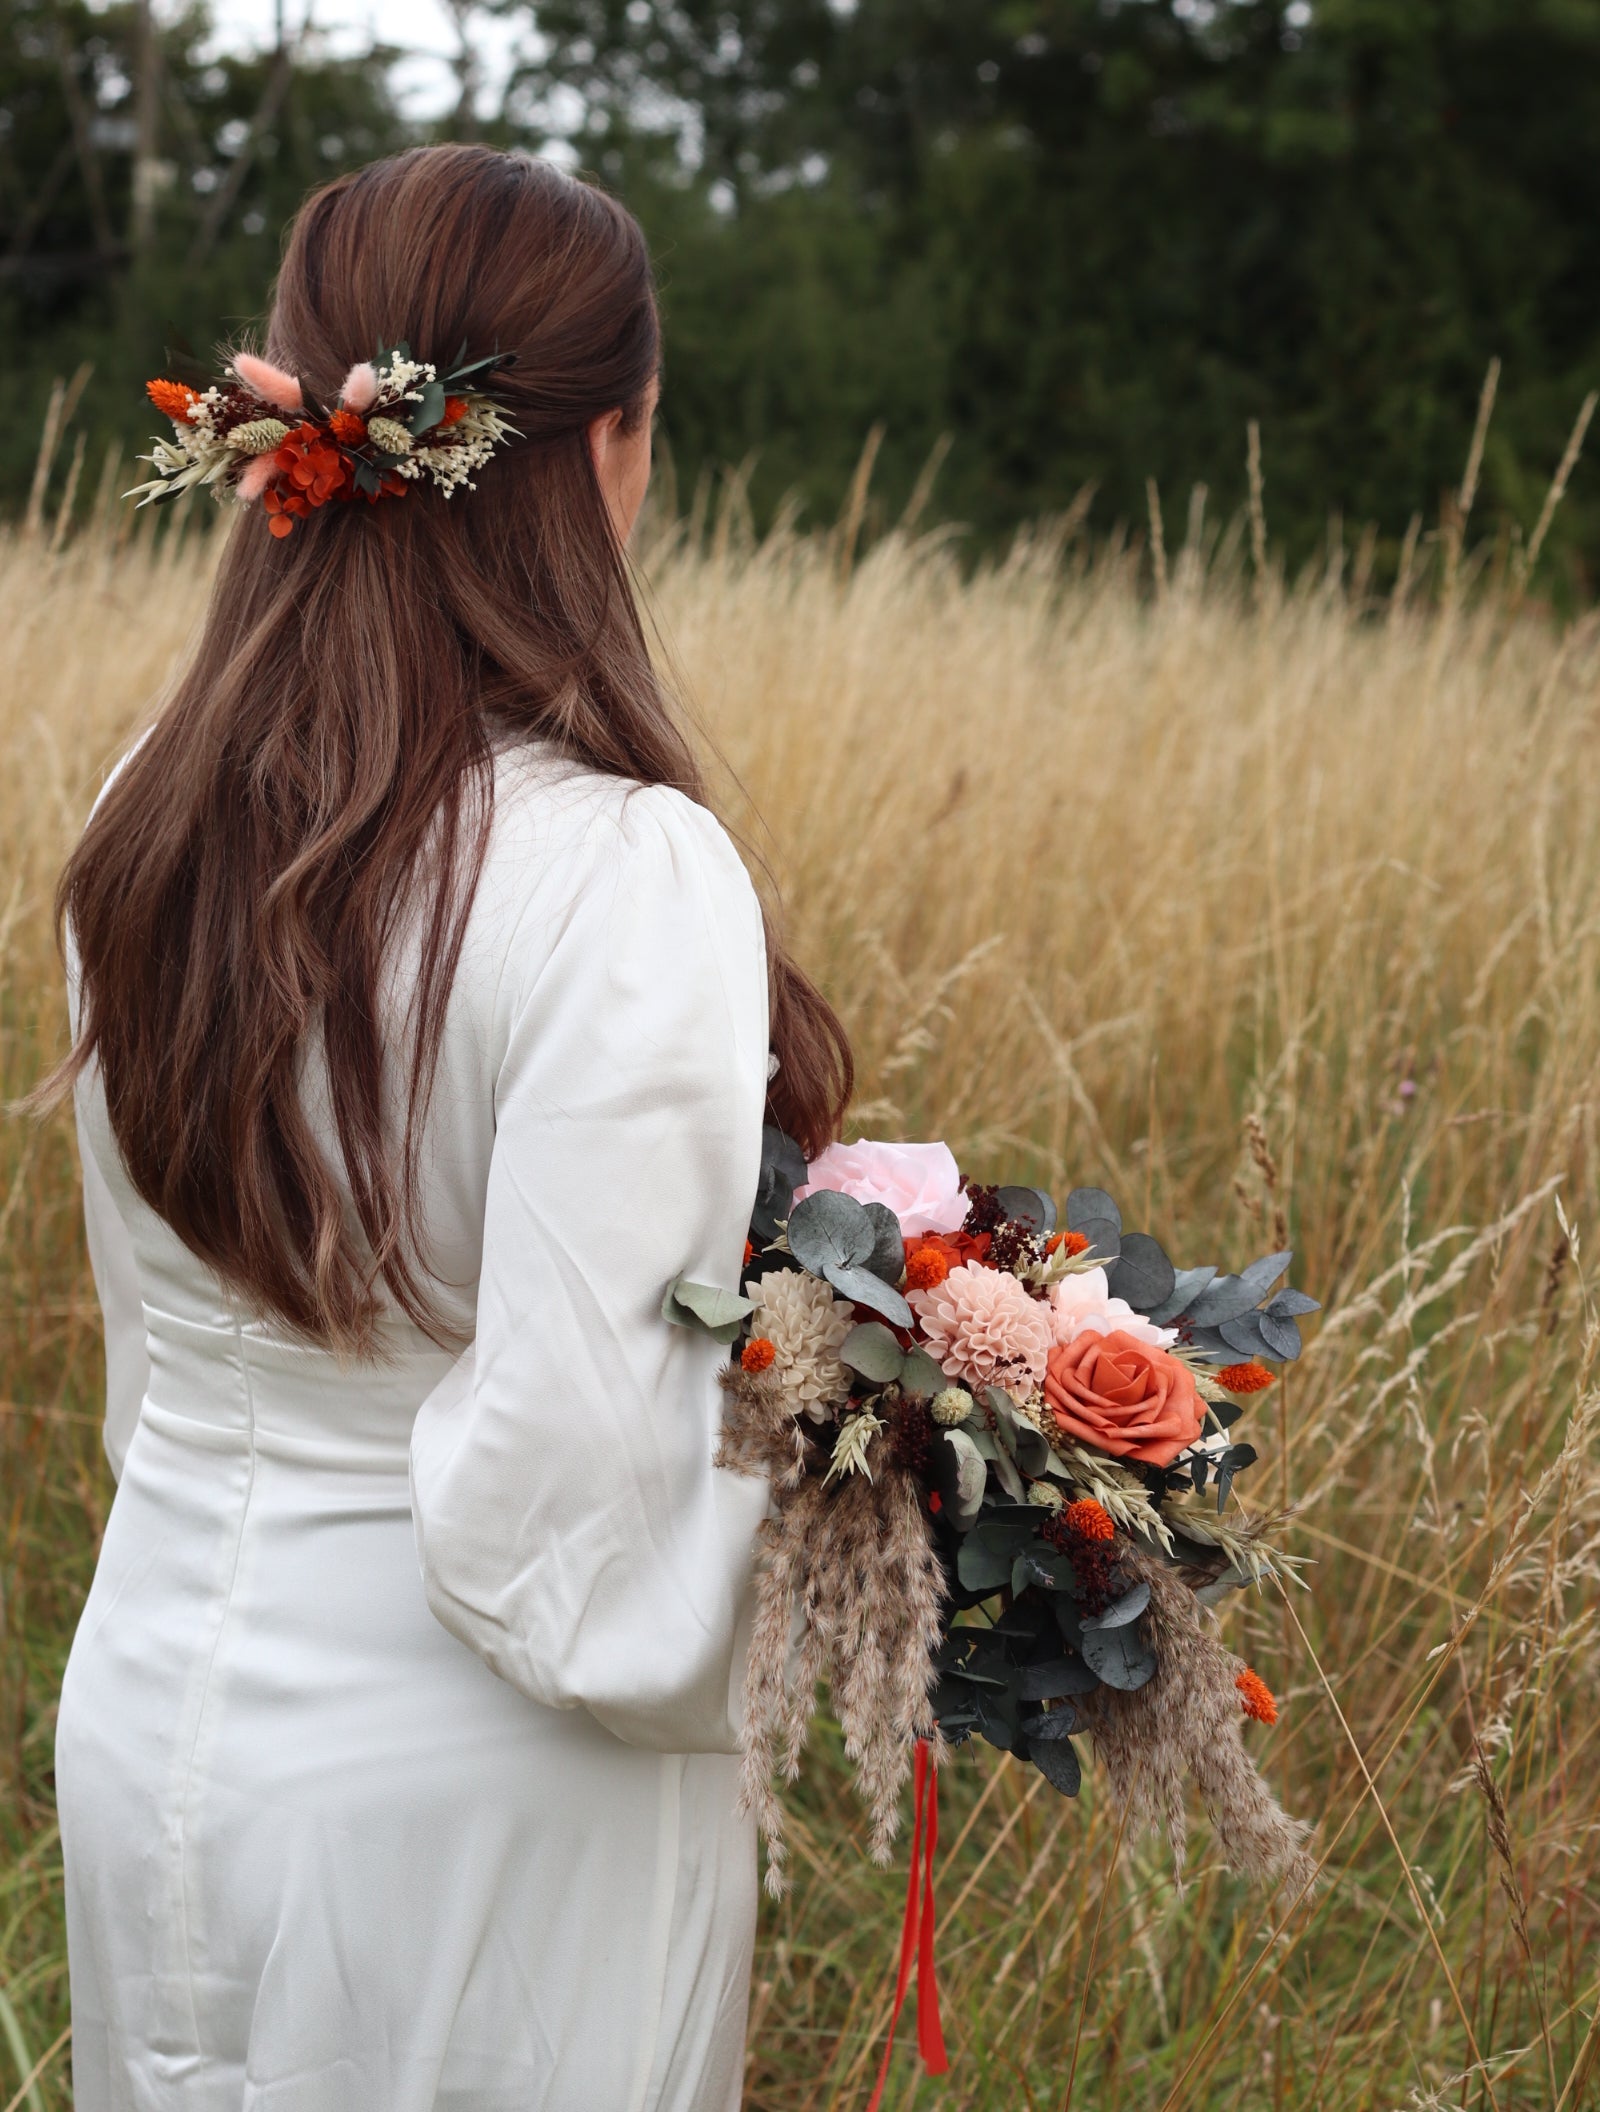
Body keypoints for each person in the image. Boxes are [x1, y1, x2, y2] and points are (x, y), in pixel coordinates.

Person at [44, 142, 851, 2112]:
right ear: (602, 457)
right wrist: (899, 1469)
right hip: (478, 1791)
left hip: (157, 1716)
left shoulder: (143, 822)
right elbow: (575, 1514)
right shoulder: (624, 873)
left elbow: (153, 1379)